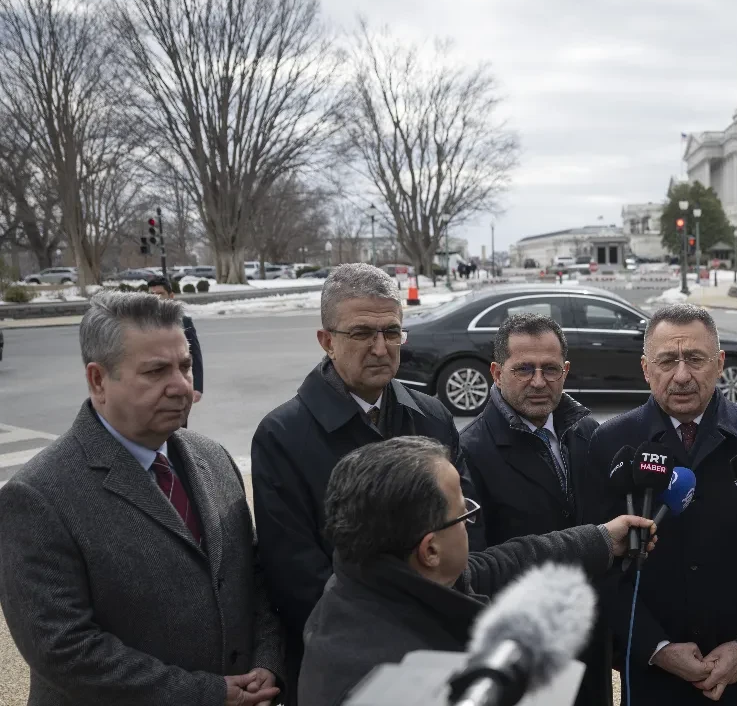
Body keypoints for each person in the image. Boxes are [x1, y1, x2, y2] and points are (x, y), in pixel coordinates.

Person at [0, 291, 282, 706]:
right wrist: (208, 694)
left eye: (185, 366)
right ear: (98, 380)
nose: (181, 386)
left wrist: (268, 661)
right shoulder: (36, 496)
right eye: (156, 371)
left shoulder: (214, 458)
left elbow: (254, 575)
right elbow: (63, 650)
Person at [251, 263, 482, 703]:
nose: (380, 348)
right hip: (348, 664)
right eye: (362, 333)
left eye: (392, 332)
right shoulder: (282, 435)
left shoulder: (431, 416)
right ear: (327, 341)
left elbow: (465, 525)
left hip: (442, 651)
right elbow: (295, 573)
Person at [298, 436, 655, 706]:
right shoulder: (393, 683)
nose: (471, 521)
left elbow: (509, 562)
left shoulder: (377, 579)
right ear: (430, 549)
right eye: (464, 514)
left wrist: (601, 539)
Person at [587, 303, 737, 706]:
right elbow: (602, 569)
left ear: (720, 362)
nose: (682, 375)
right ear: (645, 368)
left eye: (695, 358)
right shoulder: (611, 444)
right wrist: (656, 647)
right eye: (667, 360)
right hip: (655, 679)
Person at [458, 312, 611, 706]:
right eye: (524, 369)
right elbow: (473, 567)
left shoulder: (587, 433)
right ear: (496, 371)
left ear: (566, 371)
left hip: (589, 641)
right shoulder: (469, 453)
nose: (539, 381)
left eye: (550, 369)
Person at [148, 276, 204, 406]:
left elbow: (194, 355)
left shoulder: (183, 322)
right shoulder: (141, 324)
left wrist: (197, 387)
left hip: (178, 386)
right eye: (152, 294)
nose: (156, 298)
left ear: (171, 296)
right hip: (152, 387)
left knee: (178, 422)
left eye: (160, 294)